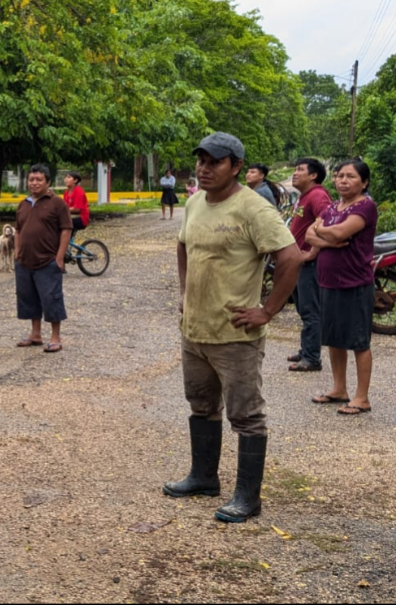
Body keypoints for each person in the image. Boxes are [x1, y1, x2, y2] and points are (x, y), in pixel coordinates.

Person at [164, 132, 302, 524]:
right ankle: (203, 477)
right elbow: (182, 245)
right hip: (195, 330)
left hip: (236, 335)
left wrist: (268, 310)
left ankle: (247, 496)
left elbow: (290, 257)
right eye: (201, 161)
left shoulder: (252, 208)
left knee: (246, 415)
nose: (204, 168)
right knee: (201, 405)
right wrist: (185, 291)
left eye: (215, 162)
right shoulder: (193, 203)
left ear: (236, 166)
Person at [307, 159, 379, 416]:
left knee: (359, 340)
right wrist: (328, 238)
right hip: (328, 281)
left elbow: (338, 233)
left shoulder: (366, 207)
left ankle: (362, 397)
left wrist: (323, 233)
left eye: (350, 176)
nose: (343, 180)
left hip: (355, 283)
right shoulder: (334, 207)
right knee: (334, 339)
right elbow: (308, 234)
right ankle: (339, 389)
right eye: (340, 176)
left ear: (364, 182)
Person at [14, 164, 73, 352]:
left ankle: (55, 337)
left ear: (48, 182)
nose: (34, 183)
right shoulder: (23, 204)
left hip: (48, 260)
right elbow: (18, 230)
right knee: (28, 297)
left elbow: (66, 230)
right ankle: (35, 334)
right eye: (31, 179)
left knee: (51, 298)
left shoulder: (57, 203)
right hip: (25, 261)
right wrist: (17, 252)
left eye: (39, 179)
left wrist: (60, 258)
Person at [285, 158, 332, 372]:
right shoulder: (304, 197)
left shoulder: (318, 196)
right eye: (295, 169)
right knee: (304, 308)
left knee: (311, 309)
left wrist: (313, 251)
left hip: (310, 264)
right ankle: (306, 350)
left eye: (300, 170)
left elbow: (329, 221)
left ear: (313, 175)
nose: (295, 173)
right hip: (298, 262)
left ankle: (312, 357)